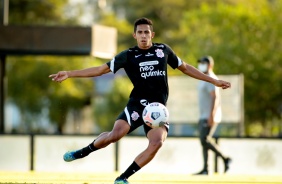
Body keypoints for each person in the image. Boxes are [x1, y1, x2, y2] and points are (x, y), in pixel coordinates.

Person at [49, 18, 231, 184]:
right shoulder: (127, 55)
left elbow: (186, 68)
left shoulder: (163, 51)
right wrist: (70, 73)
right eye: (140, 32)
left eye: (147, 32)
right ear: (134, 35)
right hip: (137, 105)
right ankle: (81, 152)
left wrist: (213, 80)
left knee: (157, 143)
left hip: (158, 109)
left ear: (152, 35)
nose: (143, 36)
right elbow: (99, 69)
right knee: (114, 135)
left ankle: (123, 178)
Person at [194, 56, 231, 175]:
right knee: (204, 141)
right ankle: (206, 168)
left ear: (210, 65)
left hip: (209, 116)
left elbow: (215, 97)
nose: (201, 65)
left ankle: (225, 158)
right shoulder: (203, 78)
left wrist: (212, 115)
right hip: (203, 115)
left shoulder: (211, 78)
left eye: (203, 63)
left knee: (204, 140)